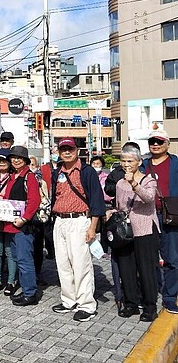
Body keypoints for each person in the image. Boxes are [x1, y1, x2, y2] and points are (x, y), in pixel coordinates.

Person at [50, 137, 105, 322]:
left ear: (77, 150)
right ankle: (69, 300)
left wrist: (93, 227)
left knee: (81, 264)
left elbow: (97, 199)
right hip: (60, 220)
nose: (67, 152)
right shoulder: (57, 172)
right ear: (59, 152)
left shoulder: (87, 171)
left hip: (80, 220)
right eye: (63, 149)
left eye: (70, 149)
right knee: (63, 264)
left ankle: (87, 305)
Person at [111, 145, 159, 322]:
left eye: (130, 161)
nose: (126, 164)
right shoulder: (119, 183)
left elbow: (148, 198)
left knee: (146, 269)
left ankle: (150, 306)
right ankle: (130, 303)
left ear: (139, 162)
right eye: (123, 161)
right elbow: (120, 206)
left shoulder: (148, 180)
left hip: (144, 230)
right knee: (126, 267)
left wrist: (133, 183)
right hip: (125, 232)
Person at [141, 129, 178, 314]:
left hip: (170, 216)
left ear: (167, 144)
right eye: (152, 141)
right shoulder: (143, 164)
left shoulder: (176, 163)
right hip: (146, 217)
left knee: (172, 259)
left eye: (159, 141)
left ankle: (170, 297)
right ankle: (148, 295)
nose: (155, 144)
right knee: (148, 259)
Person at [2, 146, 40, 306]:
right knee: (19, 258)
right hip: (12, 225)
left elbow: (34, 201)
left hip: (23, 226)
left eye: (20, 158)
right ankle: (26, 289)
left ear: (25, 160)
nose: (16, 160)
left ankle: (30, 293)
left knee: (25, 260)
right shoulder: (12, 176)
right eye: (13, 157)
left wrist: (24, 218)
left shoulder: (29, 177)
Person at [0, 149, 18, 296]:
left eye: (5, 160)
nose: (2, 163)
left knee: (10, 251)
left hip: (9, 219)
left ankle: (11, 281)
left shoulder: (14, 177)